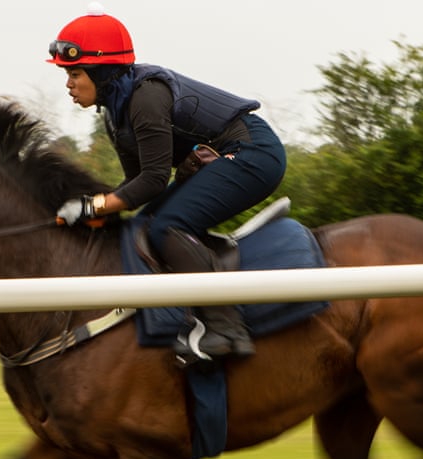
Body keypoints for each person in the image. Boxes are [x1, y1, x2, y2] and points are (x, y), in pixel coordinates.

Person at [48, 5, 287, 360]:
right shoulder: (116, 113)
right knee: (146, 223)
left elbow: (155, 181)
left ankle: (227, 329)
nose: (68, 84)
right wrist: (99, 210)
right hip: (227, 154)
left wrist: (96, 205)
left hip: (254, 152)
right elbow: (135, 182)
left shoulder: (145, 99)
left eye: (75, 73)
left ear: (103, 73)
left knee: (166, 225)